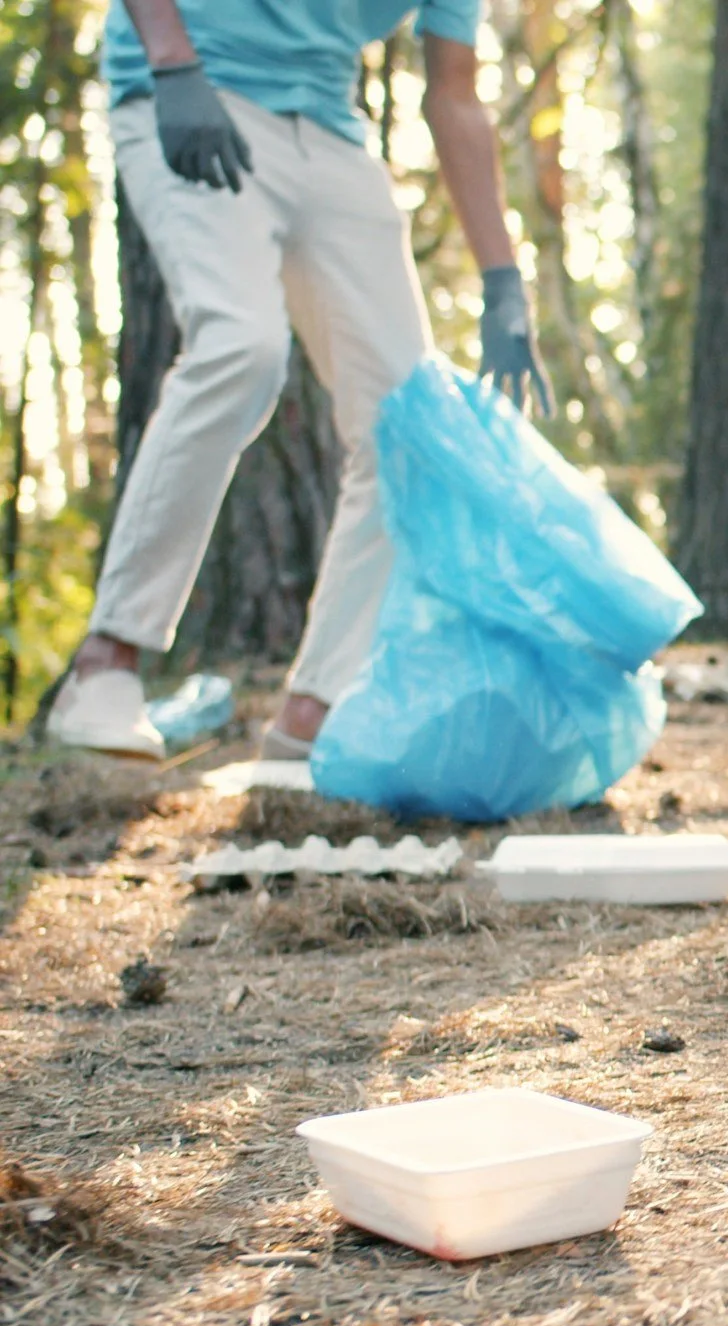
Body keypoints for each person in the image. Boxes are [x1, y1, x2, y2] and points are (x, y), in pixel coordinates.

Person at [46, 0, 548, 762]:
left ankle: (314, 718)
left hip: (327, 127)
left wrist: (504, 281)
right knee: (240, 346)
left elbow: (454, 93)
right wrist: (174, 63)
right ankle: (104, 668)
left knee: (408, 423)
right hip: (192, 87)